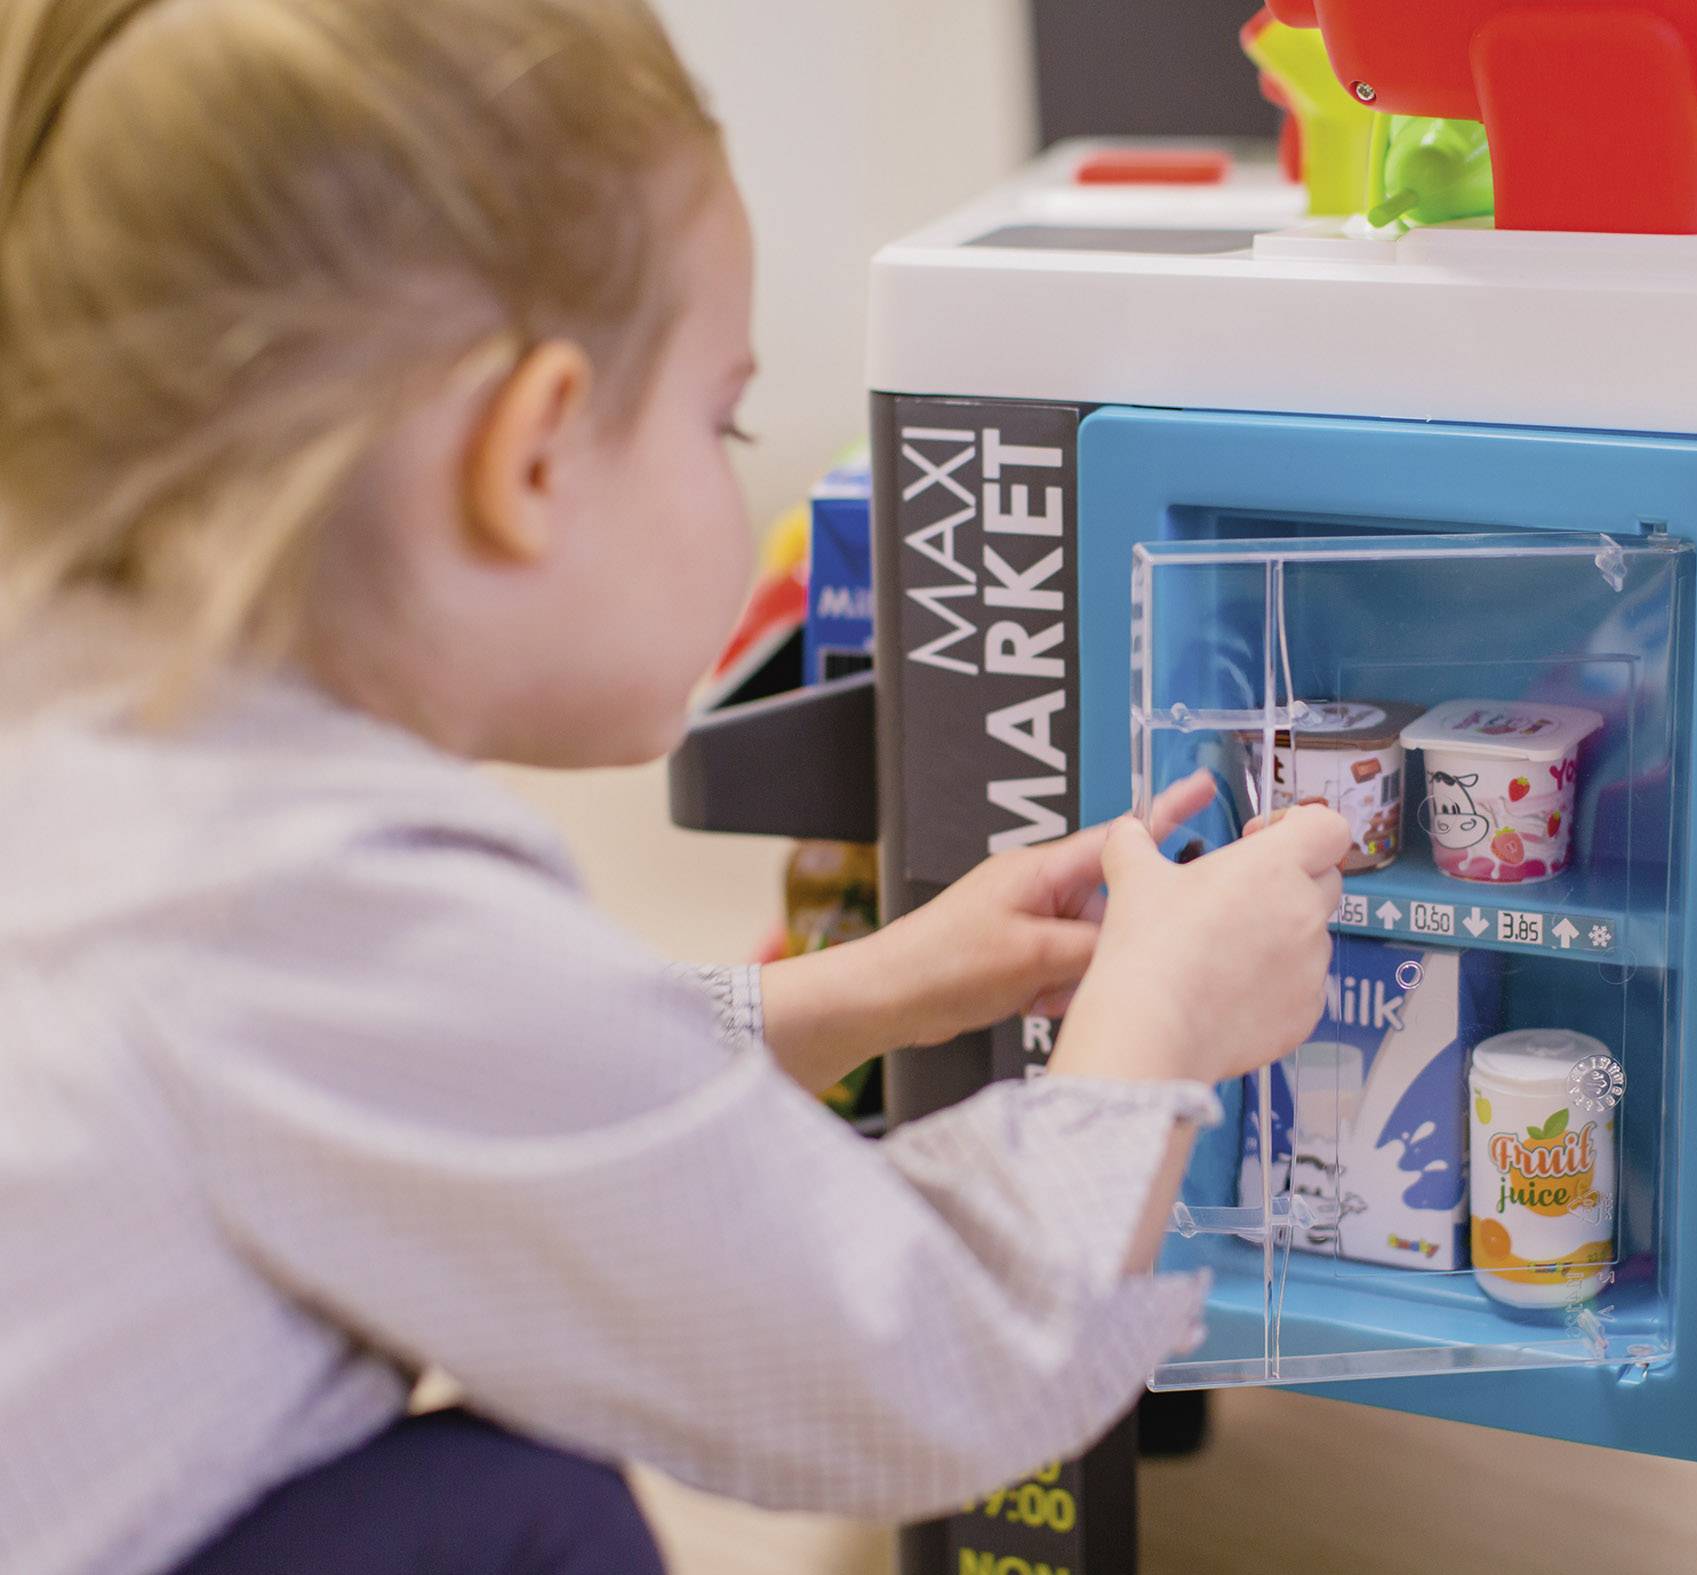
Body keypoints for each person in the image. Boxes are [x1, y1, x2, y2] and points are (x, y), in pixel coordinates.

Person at [0, 1, 1350, 1570]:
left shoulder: (105, 754)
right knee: (534, 1516)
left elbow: (474, 1073)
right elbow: (927, 1359)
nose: (735, 466)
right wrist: (1161, 1026)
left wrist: (851, 992)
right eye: (725, 418)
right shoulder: (307, 896)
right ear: (531, 457)